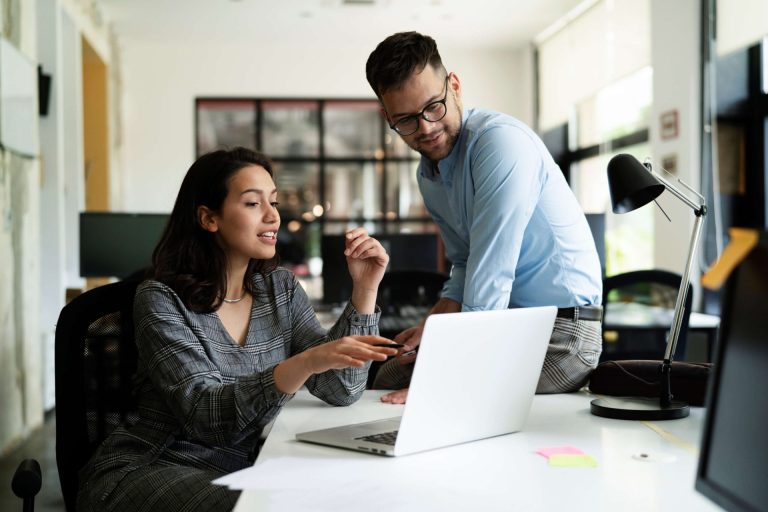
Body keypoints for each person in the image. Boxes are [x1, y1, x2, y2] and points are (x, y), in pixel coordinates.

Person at [76, 147, 398, 511]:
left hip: (243, 468)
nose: (273, 216)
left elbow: (342, 389)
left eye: (273, 202)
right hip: (153, 467)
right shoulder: (161, 299)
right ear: (208, 218)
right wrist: (303, 363)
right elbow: (204, 415)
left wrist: (365, 289)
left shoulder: (280, 290)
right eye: (252, 204)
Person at [365, 32, 603, 403]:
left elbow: (492, 267)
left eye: (433, 107)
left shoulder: (501, 144)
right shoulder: (429, 174)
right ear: (388, 118)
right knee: (388, 376)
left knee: (446, 396)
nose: (426, 128)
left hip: (563, 334)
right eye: (407, 120)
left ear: (454, 86)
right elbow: (466, 262)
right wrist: (436, 323)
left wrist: (453, 369)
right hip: (507, 324)